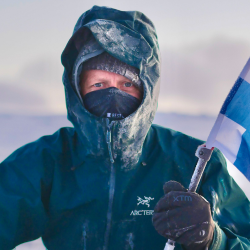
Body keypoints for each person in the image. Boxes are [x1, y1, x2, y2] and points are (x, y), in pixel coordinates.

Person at [0, 5, 250, 250]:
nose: (112, 94)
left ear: (147, 90)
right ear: (77, 89)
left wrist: (212, 240)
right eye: (99, 84)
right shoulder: (46, 162)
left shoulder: (197, 164)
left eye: (127, 84)